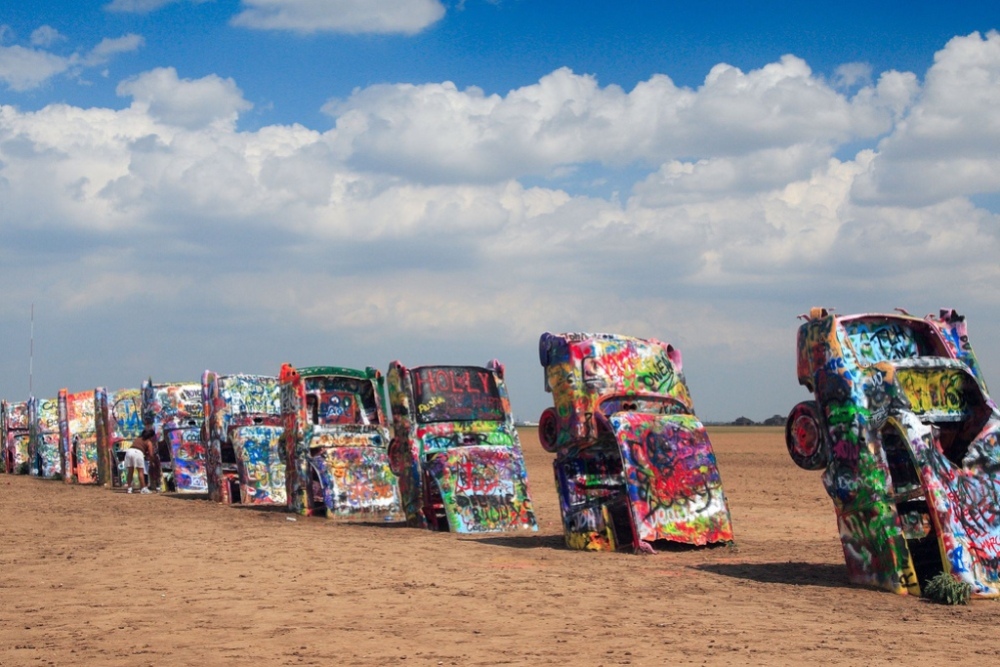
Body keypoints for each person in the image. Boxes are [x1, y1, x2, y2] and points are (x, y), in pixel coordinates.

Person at [125, 429, 155, 494]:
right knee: (140, 471)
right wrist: (152, 461)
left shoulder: (138, 439)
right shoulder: (148, 442)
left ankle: (129, 488)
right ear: (151, 436)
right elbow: (151, 454)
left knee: (130, 471)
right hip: (138, 453)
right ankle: (143, 488)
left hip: (129, 451)